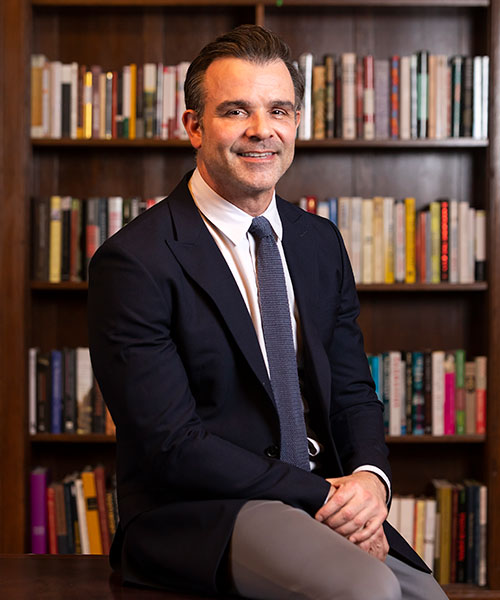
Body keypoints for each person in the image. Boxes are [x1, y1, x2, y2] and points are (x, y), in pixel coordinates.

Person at [88, 25, 448, 600]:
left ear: (297, 123)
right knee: (368, 593)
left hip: (323, 496)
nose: (263, 130)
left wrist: (368, 484)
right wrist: (322, 497)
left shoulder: (320, 242)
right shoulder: (133, 261)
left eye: (279, 109)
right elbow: (172, 444)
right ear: (194, 126)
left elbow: (354, 390)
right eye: (236, 110)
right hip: (204, 512)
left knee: (425, 597)